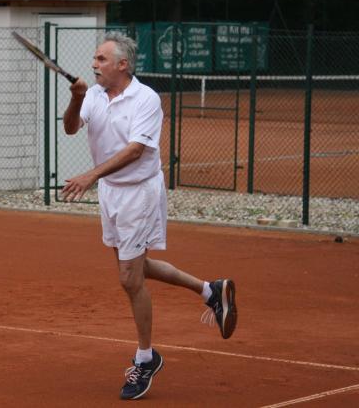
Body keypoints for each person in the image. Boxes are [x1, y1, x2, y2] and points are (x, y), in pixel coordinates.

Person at [60, 31, 237, 401]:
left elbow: (136, 150)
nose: (94, 65)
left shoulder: (146, 99)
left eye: (101, 59)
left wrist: (90, 176)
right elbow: (71, 127)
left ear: (123, 64)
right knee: (137, 266)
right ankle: (210, 290)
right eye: (94, 59)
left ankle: (146, 358)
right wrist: (75, 99)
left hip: (139, 192)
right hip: (111, 192)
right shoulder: (93, 94)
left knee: (129, 277)